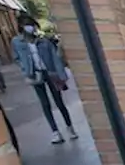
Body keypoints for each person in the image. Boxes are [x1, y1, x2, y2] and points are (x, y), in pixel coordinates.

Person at [11, 16, 77, 144]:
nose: (30, 28)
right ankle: (55, 132)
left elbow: (55, 58)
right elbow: (16, 57)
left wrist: (62, 76)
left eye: (32, 25)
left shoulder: (43, 41)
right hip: (35, 74)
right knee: (45, 103)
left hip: (50, 73)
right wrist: (25, 68)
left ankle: (70, 128)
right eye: (27, 25)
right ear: (21, 27)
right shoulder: (17, 42)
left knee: (59, 102)